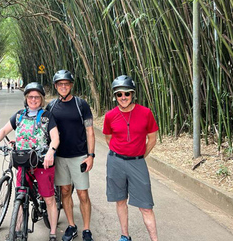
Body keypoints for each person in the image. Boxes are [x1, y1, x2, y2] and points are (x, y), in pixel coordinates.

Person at [0, 82, 60, 241]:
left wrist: (51, 151)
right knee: (20, 196)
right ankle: (18, 229)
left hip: (43, 163)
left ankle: (53, 232)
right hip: (23, 162)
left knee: (48, 198)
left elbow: (55, 138)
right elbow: (4, 130)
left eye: (36, 97)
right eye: (30, 97)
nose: (33, 100)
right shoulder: (19, 115)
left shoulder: (47, 116)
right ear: (26, 98)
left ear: (41, 99)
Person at [102, 75, 159, 241]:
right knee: (120, 201)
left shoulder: (146, 113)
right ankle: (125, 236)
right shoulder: (110, 116)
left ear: (132, 94)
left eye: (127, 93)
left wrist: (139, 155)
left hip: (137, 163)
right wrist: (121, 153)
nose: (123, 97)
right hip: (115, 162)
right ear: (115, 96)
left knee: (146, 206)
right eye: (119, 94)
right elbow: (108, 139)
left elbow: (152, 138)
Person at [46, 70, 95, 241]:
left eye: (66, 84)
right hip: (60, 157)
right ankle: (71, 225)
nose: (64, 87)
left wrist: (91, 155)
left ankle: (87, 229)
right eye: (60, 84)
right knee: (65, 192)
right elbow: (43, 130)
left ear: (71, 85)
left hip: (79, 156)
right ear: (56, 86)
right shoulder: (51, 106)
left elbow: (89, 131)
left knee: (82, 193)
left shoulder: (81, 105)